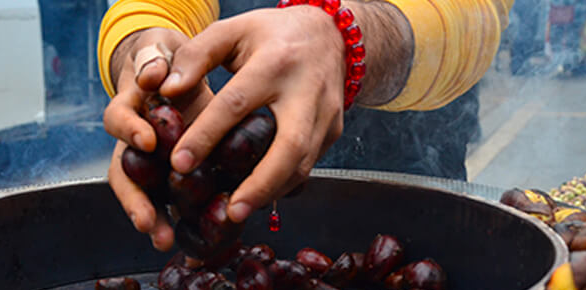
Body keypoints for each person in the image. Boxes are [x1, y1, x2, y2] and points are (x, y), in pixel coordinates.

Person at [98, 0, 514, 251]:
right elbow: (153, 8)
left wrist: (344, 40)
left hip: (409, 218)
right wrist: (142, 50)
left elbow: (474, 15)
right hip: (220, 213)